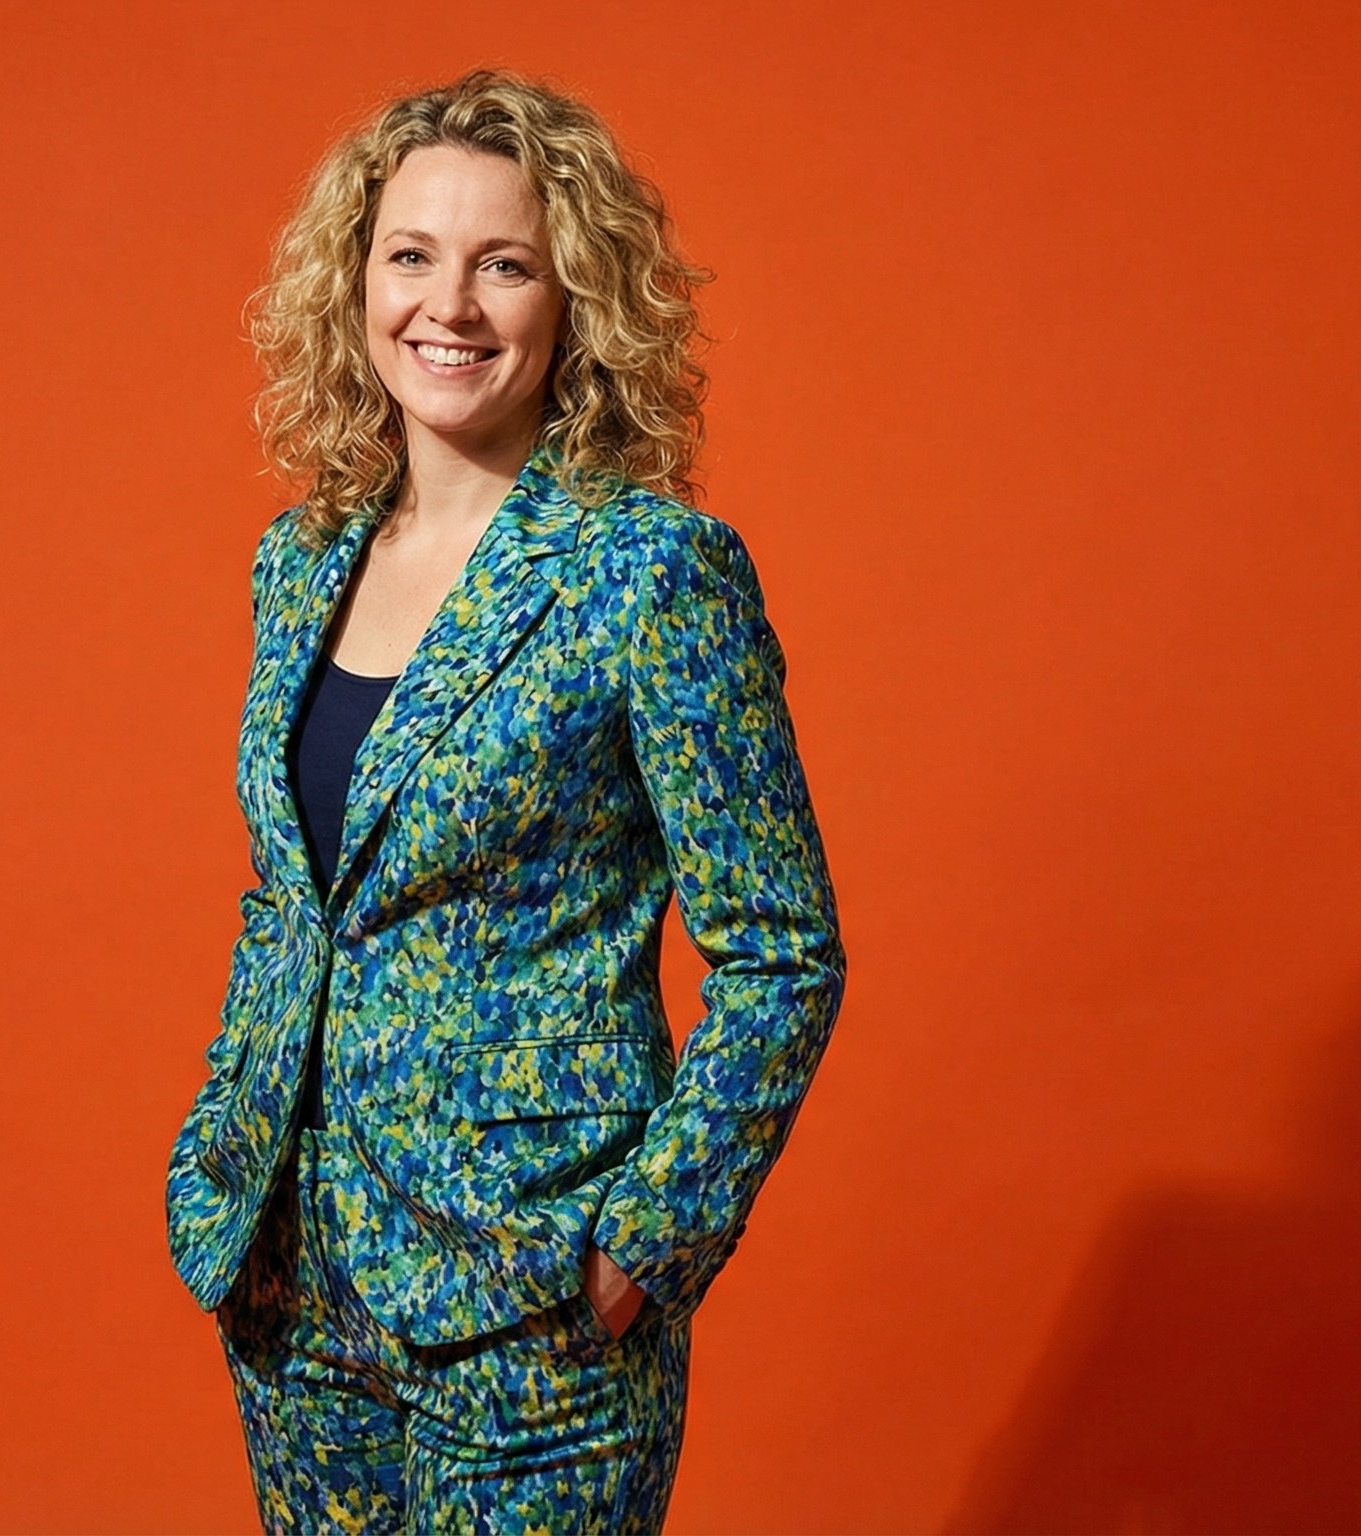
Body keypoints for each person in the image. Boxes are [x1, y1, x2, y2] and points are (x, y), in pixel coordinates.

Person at [164, 67, 845, 1534]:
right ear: (356, 284)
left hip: (533, 1304)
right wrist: (225, 1144)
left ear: (574, 298)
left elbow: (783, 950)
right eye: (411, 255)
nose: (449, 307)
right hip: (295, 1290)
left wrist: (646, 1244)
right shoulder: (304, 560)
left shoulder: (651, 572)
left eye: (504, 265)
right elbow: (298, 900)